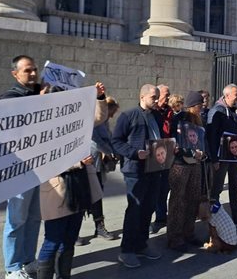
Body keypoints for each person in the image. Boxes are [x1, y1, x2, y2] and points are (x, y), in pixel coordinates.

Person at [37, 82, 108, 279]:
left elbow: (99, 117)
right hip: (56, 191)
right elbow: (43, 162)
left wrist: (100, 97)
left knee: (69, 240)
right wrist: (77, 163)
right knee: (52, 241)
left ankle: (63, 276)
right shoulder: (40, 128)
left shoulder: (73, 120)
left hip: (79, 188)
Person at [0, 55, 47, 279]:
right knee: (16, 219)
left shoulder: (39, 93)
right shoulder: (10, 98)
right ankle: (12, 267)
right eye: (27, 70)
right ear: (15, 74)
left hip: (37, 169)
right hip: (17, 170)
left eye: (35, 69)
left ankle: (28, 260)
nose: (33, 74)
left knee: (34, 217)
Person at [112, 84, 163, 268]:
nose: (157, 101)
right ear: (142, 97)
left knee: (148, 208)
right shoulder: (129, 115)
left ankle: (142, 244)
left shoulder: (157, 115)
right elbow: (116, 142)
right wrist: (134, 153)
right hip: (135, 171)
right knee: (135, 210)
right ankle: (127, 250)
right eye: (153, 97)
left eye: (157, 97)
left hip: (154, 169)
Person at [207, 84, 237, 230]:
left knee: (234, 185)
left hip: (234, 154)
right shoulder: (216, 111)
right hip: (221, 157)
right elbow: (211, 136)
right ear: (227, 95)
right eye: (236, 94)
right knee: (217, 188)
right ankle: (212, 219)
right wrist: (214, 159)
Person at [167, 91, 205, 252]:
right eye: (199, 106)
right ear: (193, 106)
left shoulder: (198, 120)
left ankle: (189, 232)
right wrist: (189, 152)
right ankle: (174, 237)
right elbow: (175, 143)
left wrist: (203, 153)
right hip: (180, 165)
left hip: (195, 164)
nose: (202, 108)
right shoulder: (179, 119)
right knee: (178, 201)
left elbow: (202, 140)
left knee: (193, 198)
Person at [87, 96, 121, 241]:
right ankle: (75, 232)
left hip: (99, 165)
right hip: (91, 162)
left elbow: (109, 138)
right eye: (112, 112)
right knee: (88, 196)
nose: (113, 115)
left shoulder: (104, 122)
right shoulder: (95, 121)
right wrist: (109, 151)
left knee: (97, 195)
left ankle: (99, 226)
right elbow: (95, 141)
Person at [150, 85, 172, 235]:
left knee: (165, 186)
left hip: (168, 152)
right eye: (166, 95)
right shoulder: (151, 112)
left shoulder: (169, 112)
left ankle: (162, 216)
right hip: (153, 154)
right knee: (154, 188)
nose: (168, 98)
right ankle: (155, 218)